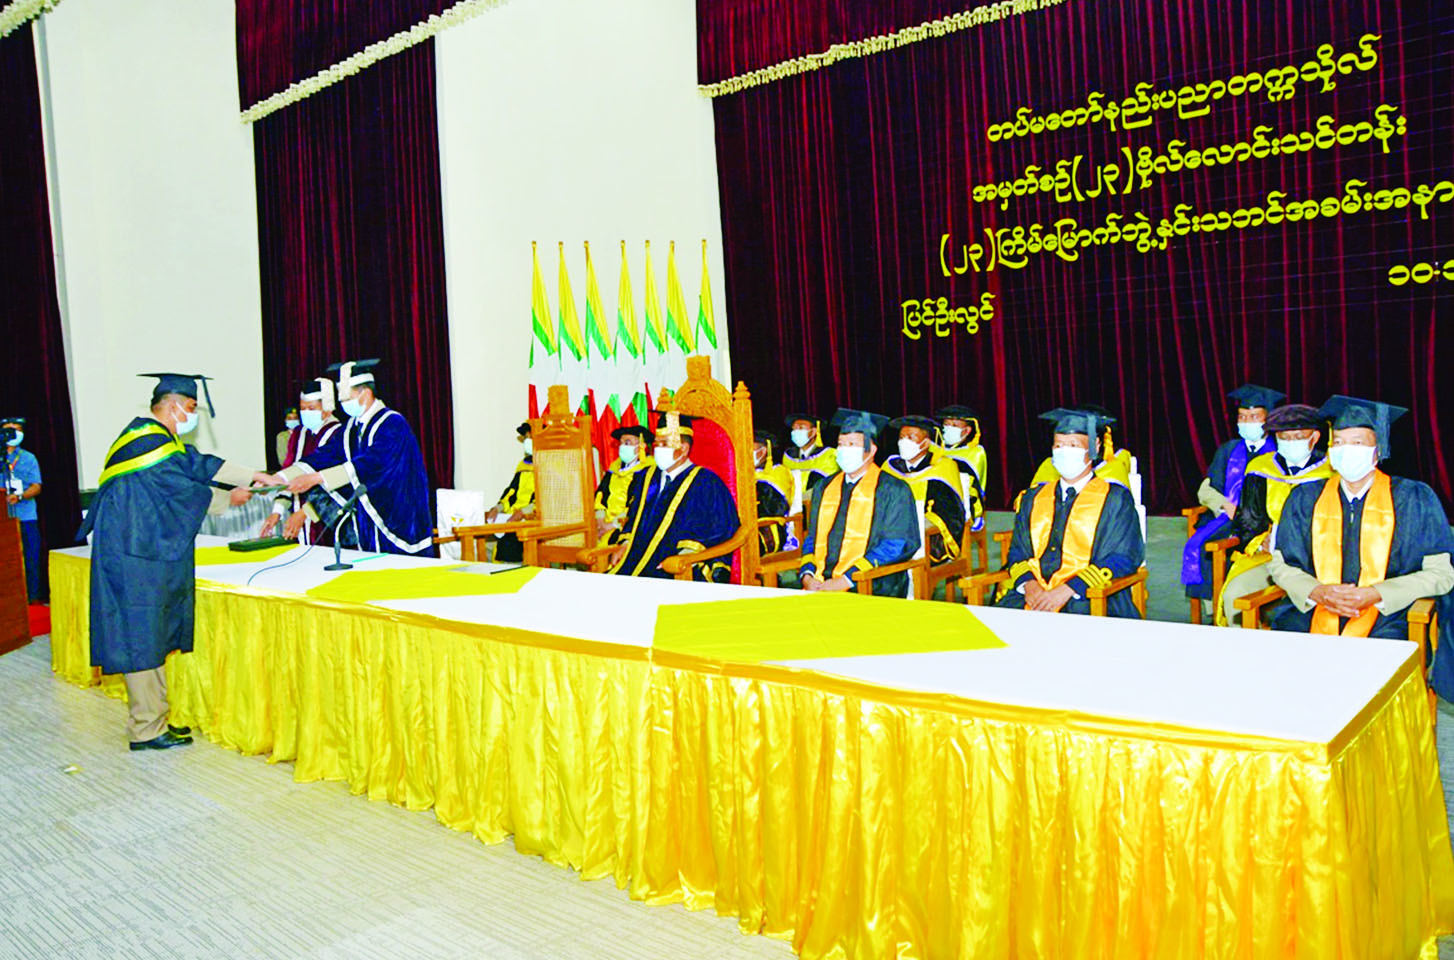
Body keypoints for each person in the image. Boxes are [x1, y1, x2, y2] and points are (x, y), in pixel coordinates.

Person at [79, 374, 276, 750]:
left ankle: (154, 719)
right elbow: (180, 488)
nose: (193, 415)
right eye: (191, 408)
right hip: (134, 556)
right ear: (172, 407)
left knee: (149, 635)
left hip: (139, 551)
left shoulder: (153, 439)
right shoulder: (148, 443)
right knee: (140, 638)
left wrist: (254, 475)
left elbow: (196, 463)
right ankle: (145, 729)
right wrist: (227, 499)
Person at [1269, 396, 1454, 638]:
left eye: (1357, 443)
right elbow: (1280, 564)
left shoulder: (1414, 498)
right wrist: (1317, 591)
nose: (1346, 450)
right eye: (1338, 442)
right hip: (1314, 607)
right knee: (1288, 645)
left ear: (1378, 451)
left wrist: (1378, 593)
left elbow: (1441, 573)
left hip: (1389, 613)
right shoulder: (1304, 498)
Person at [998, 408, 1144, 617]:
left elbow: (1124, 556)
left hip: (1091, 597)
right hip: (1033, 596)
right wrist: (1029, 586)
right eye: (1059, 446)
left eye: (1073, 445)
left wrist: (1069, 589)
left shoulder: (1115, 499)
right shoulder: (1033, 497)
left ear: (1094, 447)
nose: (1064, 452)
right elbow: (1018, 551)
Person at [283, 359, 434, 556]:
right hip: (368, 521)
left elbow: (371, 463)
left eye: (347, 398)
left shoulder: (393, 423)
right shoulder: (351, 428)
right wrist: (280, 477)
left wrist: (316, 478)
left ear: (366, 393)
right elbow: (327, 455)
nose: (343, 404)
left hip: (399, 517)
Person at [1215, 403, 1333, 625]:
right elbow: (1248, 519)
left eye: (1298, 437)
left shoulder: (1332, 471)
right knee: (1234, 595)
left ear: (1315, 437)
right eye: (1284, 438)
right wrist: (1261, 542)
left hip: (1321, 560)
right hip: (1271, 557)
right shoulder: (1261, 468)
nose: (1291, 443)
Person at [798, 409, 920, 598]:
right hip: (820, 582)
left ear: (871, 450)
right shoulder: (823, 487)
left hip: (873, 583)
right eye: (841, 444)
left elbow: (897, 544)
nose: (844, 450)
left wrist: (846, 580)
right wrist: (807, 575)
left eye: (852, 444)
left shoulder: (894, 489)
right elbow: (812, 538)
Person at [1181, 384, 1284, 607]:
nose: (1247, 422)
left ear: (1268, 419)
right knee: (1204, 543)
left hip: (1263, 523)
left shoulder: (1280, 452)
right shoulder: (1228, 450)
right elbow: (1206, 489)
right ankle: (1213, 608)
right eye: (1242, 417)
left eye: (1254, 417)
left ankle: (1245, 605)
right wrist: (1224, 505)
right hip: (1227, 516)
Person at [608, 413, 738, 581]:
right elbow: (633, 517)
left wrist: (686, 556)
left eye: (665, 444)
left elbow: (722, 529)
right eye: (657, 444)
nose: (657, 449)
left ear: (683, 448)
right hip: (636, 560)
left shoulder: (706, 482)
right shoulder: (646, 477)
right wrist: (625, 543)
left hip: (681, 568)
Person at [262, 377, 346, 544]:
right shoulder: (299, 434)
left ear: (327, 410)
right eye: (303, 408)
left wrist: (304, 513)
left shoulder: (340, 435)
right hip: (298, 519)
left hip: (328, 520)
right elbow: (289, 471)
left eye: (311, 408)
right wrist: (277, 511)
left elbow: (338, 484)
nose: (306, 412)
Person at [882, 415, 966, 565]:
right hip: (888, 531)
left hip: (924, 538)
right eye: (901, 437)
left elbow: (950, 514)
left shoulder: (942, 469)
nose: (904, 442)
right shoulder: (890, 467)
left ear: (926, 443)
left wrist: (913, 525)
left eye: (911, 437)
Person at [3, 417, 45, 603]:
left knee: (31, 557)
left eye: (17, 430)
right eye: (8, 430)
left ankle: (32, 597)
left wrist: (20, 496)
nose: (13, 434)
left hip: (26, 515)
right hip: (3, 517)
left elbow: (37, 486)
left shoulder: (28, 458)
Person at [483, 422, 535, 562]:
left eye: (530, 437)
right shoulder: (523, 464)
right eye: (526, 438)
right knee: (491, 545)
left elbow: (546, 499)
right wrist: (498, 508)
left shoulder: (549, 464)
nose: (527, 441)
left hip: (530, 519)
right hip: (512, 518)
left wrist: (524, 512)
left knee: (509, 547)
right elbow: (511, 491)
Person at [932, 404, 987, 531]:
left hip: (963, 498)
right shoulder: (934, 448)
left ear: (967, 430)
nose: (949, 428)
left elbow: (974, 483)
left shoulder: (975, 452)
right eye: (946, 424)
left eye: (955, 425)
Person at [595, 425, 652, 545]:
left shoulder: (648, 470)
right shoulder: (615, 467)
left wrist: (614, 524)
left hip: (629, 527)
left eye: (627, 442)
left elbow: (640, 504)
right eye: (621, 443)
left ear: (641, 446)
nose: (622, 446)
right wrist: (600, 519)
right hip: (604, 524)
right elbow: (601, 493)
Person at [781, 413, 839, 511]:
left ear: (813, 431)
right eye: (794, 428)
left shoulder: (828, 455)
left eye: (801, 428)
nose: (796, 432)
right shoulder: (788, 455)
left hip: (818, 506)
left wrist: (801, 500)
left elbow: (824, 485)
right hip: (790, 509)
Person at [753, 429, 794, 554]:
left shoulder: (779, 472)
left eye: (751, 448)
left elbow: (777, 508)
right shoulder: (741, 472)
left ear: (763, 451)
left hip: (771, 526)